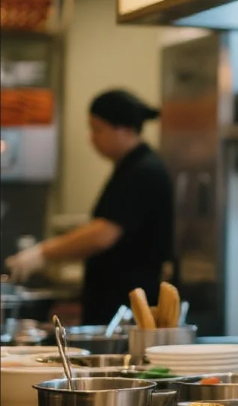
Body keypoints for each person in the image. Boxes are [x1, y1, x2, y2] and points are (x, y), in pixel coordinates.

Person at [5, 89, 174, 325]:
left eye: (97, 129)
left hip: (127, 307)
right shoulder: (130, 167)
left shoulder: (143, 171)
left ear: (124, 129)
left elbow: (103, 234)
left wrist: (42, 253)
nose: (92, 138)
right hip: (112, 299)